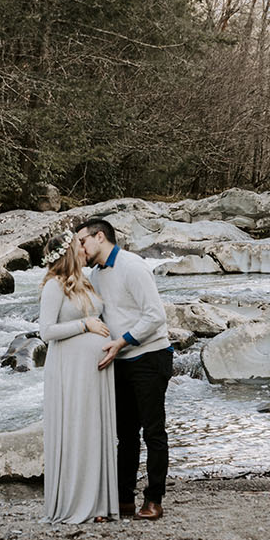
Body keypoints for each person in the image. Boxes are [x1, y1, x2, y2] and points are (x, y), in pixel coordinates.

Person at [75, 219, 171, 521]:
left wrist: (122, 342)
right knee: (125, 435)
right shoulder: (96, 274)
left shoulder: (133, 266)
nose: (80, 248)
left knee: (153, 432)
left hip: (149, 357)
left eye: (82, 241)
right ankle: (124, 499)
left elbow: (155, 315)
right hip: (120, 361)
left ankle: (154, 499)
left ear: (99, 237)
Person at [37, 230, 119, 523]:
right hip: (70, 372)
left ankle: (99, 503)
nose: (85, 247)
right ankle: (75, 503)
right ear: (70, 252)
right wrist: (84, 326)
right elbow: (45, 332)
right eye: (79, 244)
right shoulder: (54, 286)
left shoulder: (85, 281)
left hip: (95, 372)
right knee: (77, 431)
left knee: (95, 431)